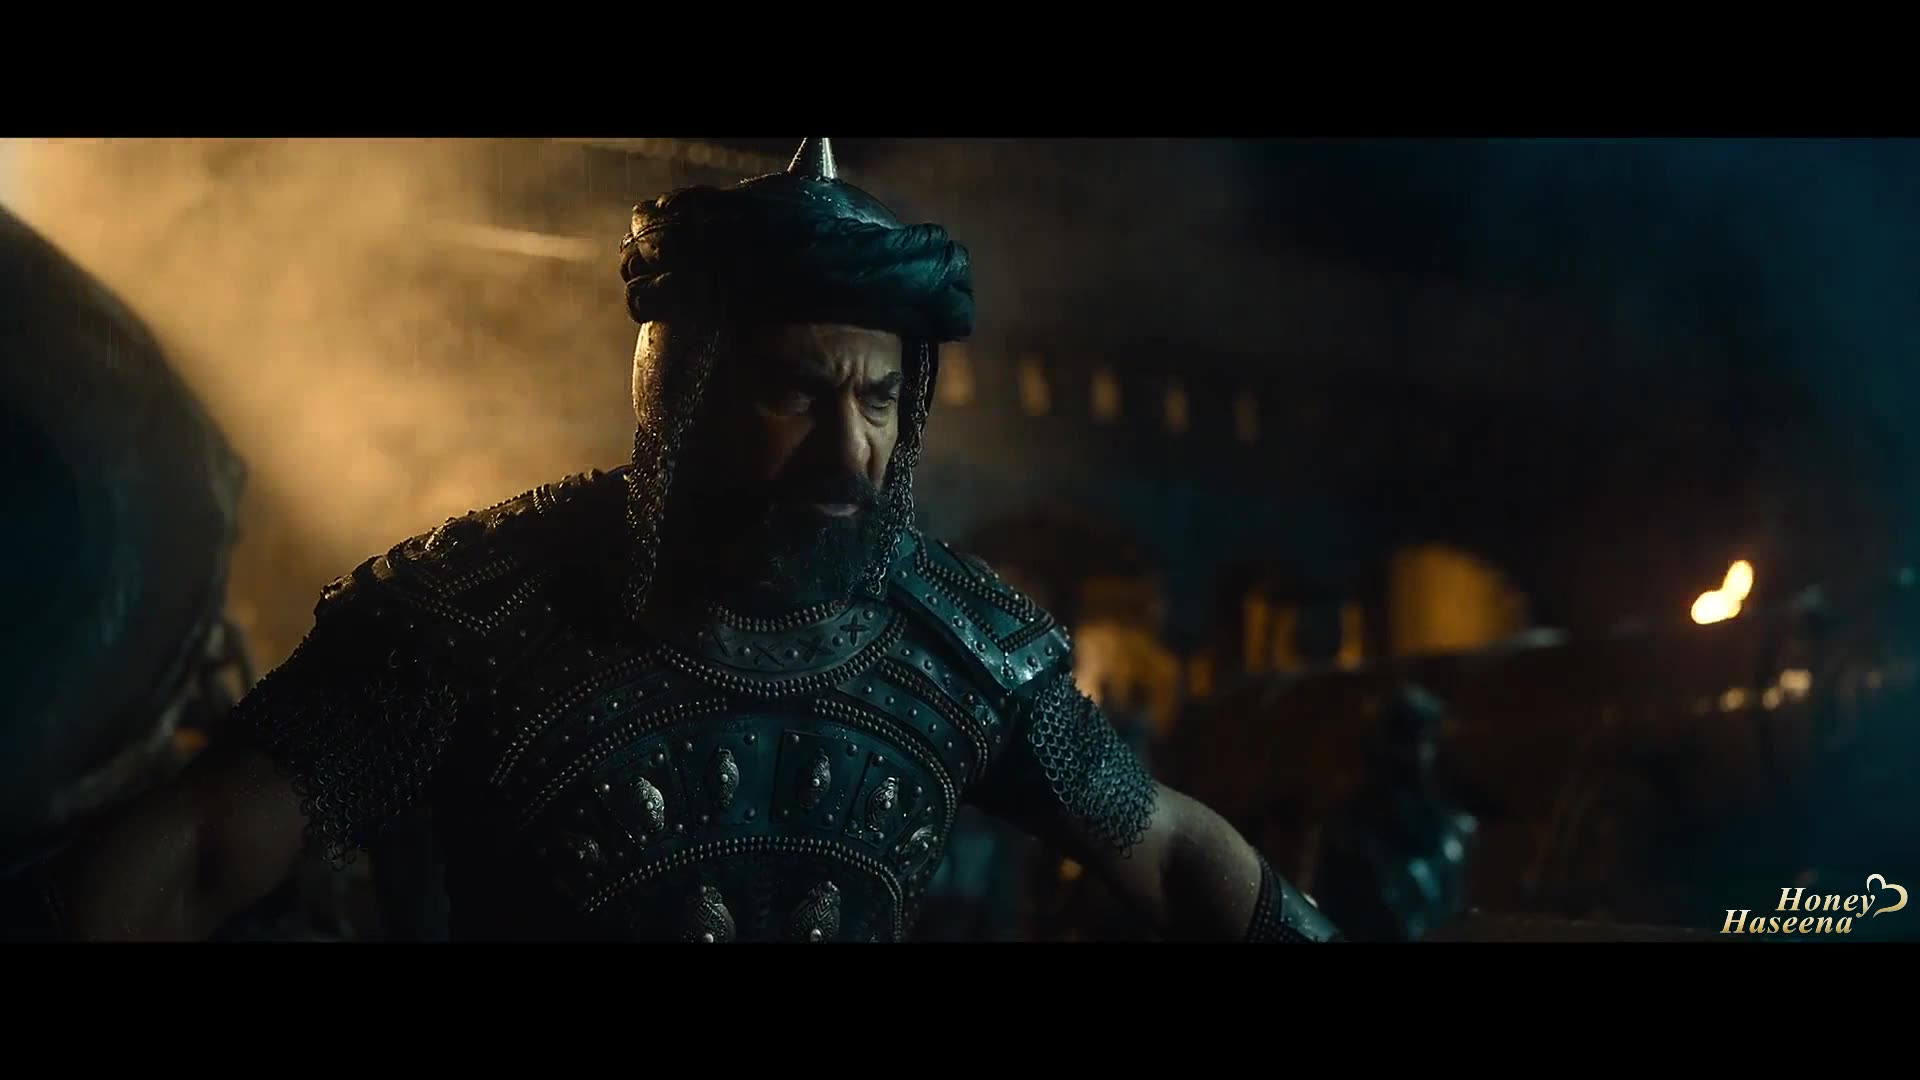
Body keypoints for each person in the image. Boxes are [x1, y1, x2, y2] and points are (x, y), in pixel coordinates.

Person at [27, 139, 1340, 943]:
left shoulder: (960, 644)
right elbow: (192, 863)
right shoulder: (474, 618)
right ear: (689, 387)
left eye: (879, 401)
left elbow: (1171, 854)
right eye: (796, 393)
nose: (847, 452)